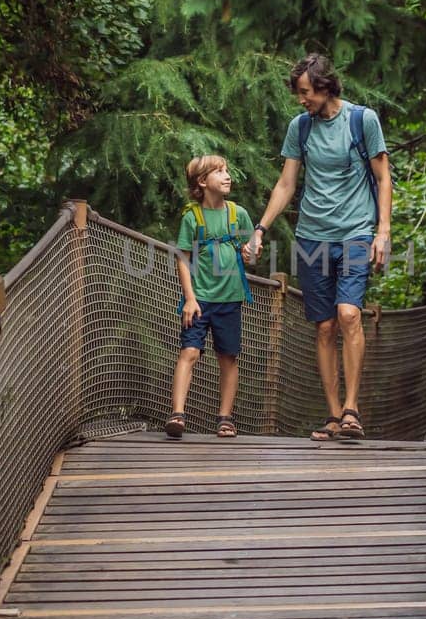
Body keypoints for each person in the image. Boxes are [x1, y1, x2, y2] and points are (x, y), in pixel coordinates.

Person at [245, 53, 392, 441]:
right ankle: (333, 415)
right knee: (324, 326)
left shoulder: (363, 120)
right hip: (312, 237)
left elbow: (383, 176)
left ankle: (351, 409)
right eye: (299, 93)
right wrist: (261, 228)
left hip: (357, 232)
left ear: (325, 86)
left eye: (306, 92)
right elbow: (286, 184)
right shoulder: (301, 128)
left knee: (348, 314)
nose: (301, 99)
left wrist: (383, 231)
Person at [165, 155, 256, 440]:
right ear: (202, 182)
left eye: (227, 171)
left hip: (230, 299)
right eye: (219, 172)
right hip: (200, 300)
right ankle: (177, 414)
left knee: (228, 357)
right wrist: (189, 299)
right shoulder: (192, 217)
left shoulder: (237, 214)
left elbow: (249, 250)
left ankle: (225, 418)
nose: (227, 176)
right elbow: (183, 258)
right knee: (189, 352)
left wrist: (250, 251)